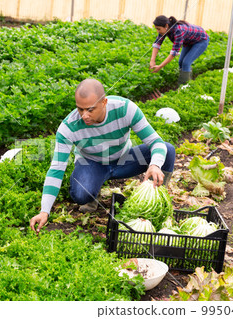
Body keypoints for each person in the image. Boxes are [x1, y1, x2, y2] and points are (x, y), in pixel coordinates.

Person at [29, 79, 176, 233]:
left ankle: (156, 199)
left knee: (167, 150)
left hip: (124, 160)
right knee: (80, 194)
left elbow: (155, 141)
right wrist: (44, 211)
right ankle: (93, 192)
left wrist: (155, 164)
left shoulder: (125, 109)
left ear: (104, 102)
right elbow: (56, 168)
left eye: (90, 110)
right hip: (92, 163)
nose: (84, 115)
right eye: (80, 109)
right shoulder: (68, 127)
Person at [149, 15, 209, 85]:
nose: (157, 31)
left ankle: (185, 87)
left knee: (186, 62)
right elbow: (157, 44)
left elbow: (174, 53)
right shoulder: (164, 30)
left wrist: (160, 66)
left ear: (166, 25)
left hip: (201, 40)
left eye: (158, 29)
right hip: (189, 41)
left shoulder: (178, 31)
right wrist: (152, 60)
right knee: (181, 62)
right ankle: (185, 83)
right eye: (156, 29)